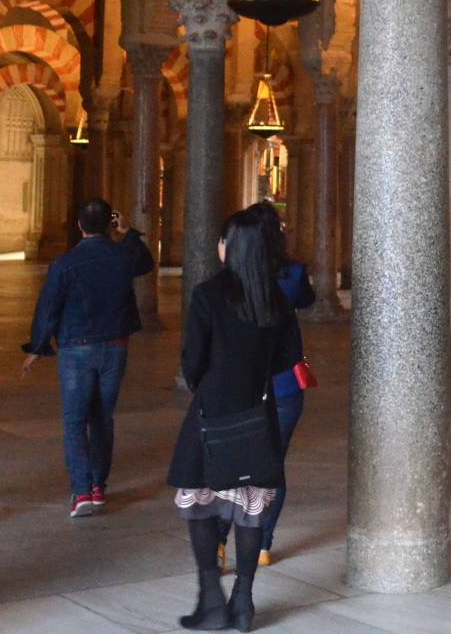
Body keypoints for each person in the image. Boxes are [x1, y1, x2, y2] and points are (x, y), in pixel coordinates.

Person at [170, 208, 302, 631]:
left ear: (231, 249)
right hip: (256, 411)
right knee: (249, 508)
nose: (218, 247)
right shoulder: (275, 299)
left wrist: (207, 378)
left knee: (199, 501)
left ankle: (211, 597)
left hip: (212, 412)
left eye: (223, 241)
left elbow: (192, 363)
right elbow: (288, 357)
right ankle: (243, 602)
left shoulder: (208, 295)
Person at [20, 197, 156, 517]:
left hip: (77, 348)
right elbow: (146, 262)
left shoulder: (65, 264)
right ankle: (98, 487)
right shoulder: (123, 256)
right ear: (110, 224)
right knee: (102, 418)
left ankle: (81, 491)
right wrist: (128, 231)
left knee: (74, 420)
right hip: (115, 347)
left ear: (79, 226)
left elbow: (49, 308)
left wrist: (38, 347)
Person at [247, 201, 314, 566]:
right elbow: (306, 299)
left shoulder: (234, 280)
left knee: (241, 461)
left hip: (245, 385)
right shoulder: (292, 273)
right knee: (274, 462)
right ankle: (263, 543)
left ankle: (231, 537)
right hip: (286, 384)